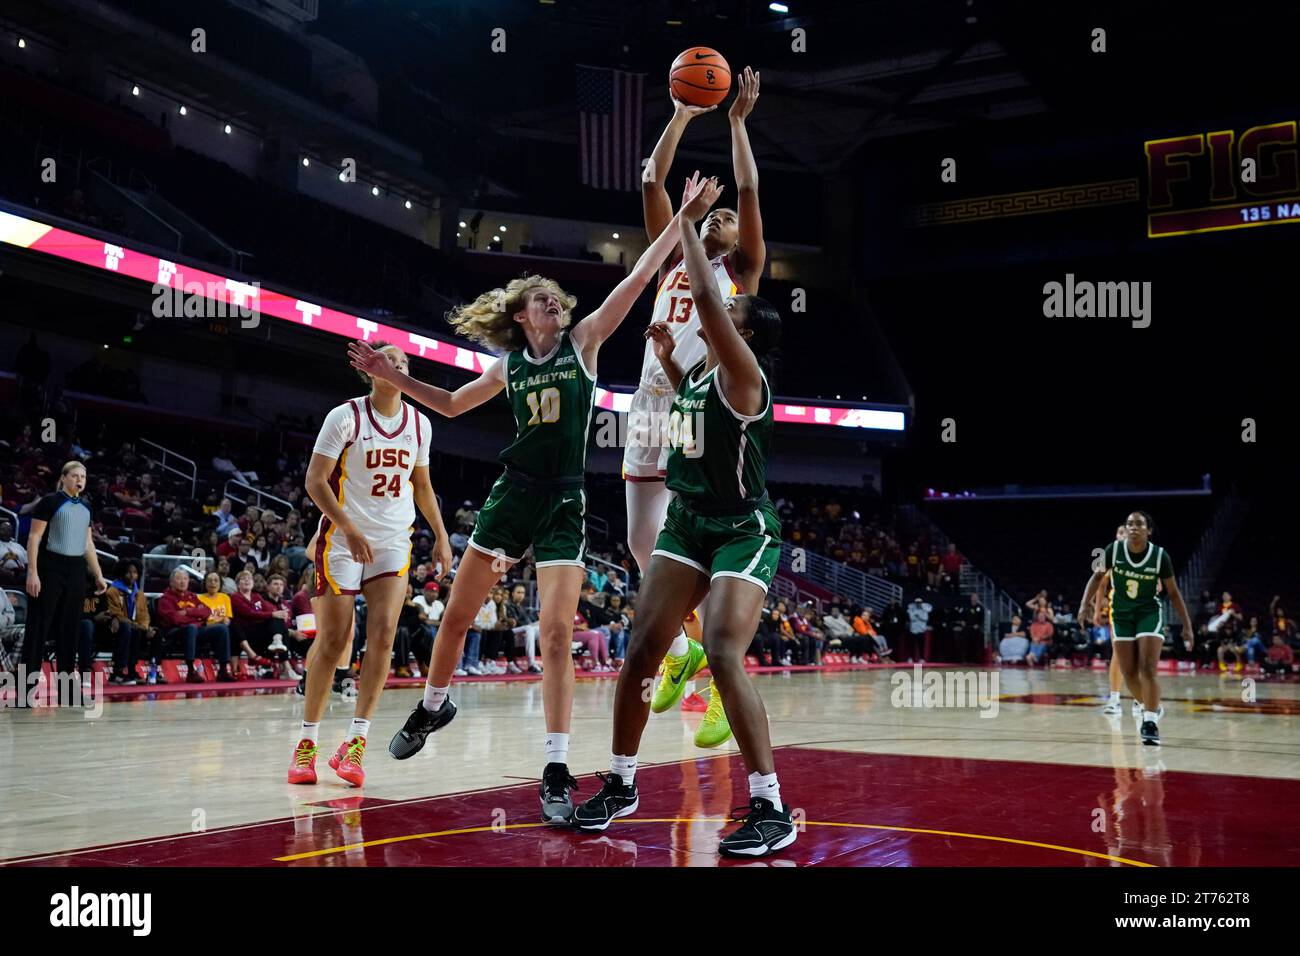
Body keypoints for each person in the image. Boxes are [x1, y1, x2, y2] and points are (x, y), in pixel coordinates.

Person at [373, 172, 710, 825]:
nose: (552, 304)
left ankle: (555, 769)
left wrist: (684, 220)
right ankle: (434, 702)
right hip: (512, 497)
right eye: (540, 301)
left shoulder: (584, 343)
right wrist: (392, 376)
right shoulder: (508, 368)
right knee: (456, 618)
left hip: (563, 501)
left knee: (558, 634)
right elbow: (446, 403)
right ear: (521, 318)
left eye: (555, 298)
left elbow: (640, 277)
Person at [575, 173, 793, 857]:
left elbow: (705, 293)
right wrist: (666, 366)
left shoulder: (744, 372)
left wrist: (694, 225)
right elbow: (686, 429)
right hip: (690, 521)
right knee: (641, 646)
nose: (716, 318)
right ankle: (621, 781)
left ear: (745, 330)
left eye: (732, 316)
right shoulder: (696, 375)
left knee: (726, 651)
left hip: (742, 528)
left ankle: (770, 805)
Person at [633, 69, 767, 745]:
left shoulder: (738, 275)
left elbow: (746, 191)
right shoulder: (672, 259)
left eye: (725, 219)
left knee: (698, 532)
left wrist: (737, 124)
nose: (720, 219)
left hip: (700, 403)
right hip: (652, 395)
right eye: (710, 216)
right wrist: (684, 112)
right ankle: (681, 653)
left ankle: (719, 673)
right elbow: (653, 180)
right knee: (638, 543)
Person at [289, 342, 453, 788]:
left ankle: (355, 743)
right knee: (335, 639)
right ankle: (306, 743)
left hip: (392, 541)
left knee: (382, 638)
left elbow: (422, 485)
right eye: (388, 361)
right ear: (370, 371)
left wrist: (440, 535)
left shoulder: (419, 423)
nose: (397, 366)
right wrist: (348, 527)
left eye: (403, 362)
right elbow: (314, 481)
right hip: (342, 538)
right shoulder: (345, 416)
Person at [1078, 511, 1194, 746]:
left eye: (1139, 524)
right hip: (1121, 614)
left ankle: (1149, 721)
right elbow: (1096, 577)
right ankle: (1152, 706)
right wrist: (1083, 606)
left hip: (1148, 613)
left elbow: (1172, 592)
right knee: (1129, 673)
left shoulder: (1160, 556)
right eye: (1129, 524)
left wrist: (1187, 625)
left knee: (1147, 668)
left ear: (1148, 530)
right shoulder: (1113, 549)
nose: (1133, 527)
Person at [22, 461, 109, 682]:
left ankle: (68, 690)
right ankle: (25, 691)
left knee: (70, 630)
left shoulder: (87, 506)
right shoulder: (50, 501)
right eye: (75, 476)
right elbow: (34, 537)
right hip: (50, 567)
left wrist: (98, 574)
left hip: (76, 570)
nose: (80, 480)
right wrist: (33, 572)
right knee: (38, 628)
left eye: (83, 477)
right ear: (63, 478)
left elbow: (88, 543)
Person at [156, 568, 235, 682]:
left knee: (221, 628)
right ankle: (191, 671)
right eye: (178, 579)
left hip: (195, 629)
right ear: (171, 582)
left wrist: (188, 612)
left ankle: (223, 670)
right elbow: (174, 619)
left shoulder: (192, 596)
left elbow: (206, 611)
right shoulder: (166, 599)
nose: (182, 581)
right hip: (174, 632)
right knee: (191, 628)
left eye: (185, 579)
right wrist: (195, 618)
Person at [104, 561, 155, 684]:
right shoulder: (113, 591)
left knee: (155, 633)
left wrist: (145, 627)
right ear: (121, 574)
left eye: (135, 572)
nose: (132, 576)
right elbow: (116, 614)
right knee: (128, 628)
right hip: (116, 628)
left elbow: (144, 614)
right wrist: (136, 625)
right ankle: (118, 672)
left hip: (135, 627)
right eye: (128, 572)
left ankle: (141, 671)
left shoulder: (139, 594)